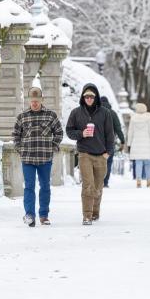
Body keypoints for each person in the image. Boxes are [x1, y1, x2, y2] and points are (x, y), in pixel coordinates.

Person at [12, 86, 64, 227]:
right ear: (29, 100)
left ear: (41, 100)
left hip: (45, 158)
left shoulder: (50, 115)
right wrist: (19, 148)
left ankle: (44, 215)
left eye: (37, 100)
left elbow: (59, 132)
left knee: (45, 186)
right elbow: (16, 135)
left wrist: (52, 146)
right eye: (32, 100)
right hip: (27, 158)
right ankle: (29, 215)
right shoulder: (22, 117)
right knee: (29, 186)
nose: (34, 103)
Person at [66, 84, 115, 225]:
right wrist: (81, 133)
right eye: (86, 96)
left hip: (101, 155)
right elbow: (69, 131)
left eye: (91, 96)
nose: (89, 99)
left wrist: (108, 153)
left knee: (98, 186)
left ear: (96, 97)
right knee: (88, 185)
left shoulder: (105, 113)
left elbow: (110, 135)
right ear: (83, 97)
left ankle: (95, 212)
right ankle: (86, 215)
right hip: (84, 154)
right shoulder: (76, 112)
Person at [126, 103, 150, 188]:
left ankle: (138, 181)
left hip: (136, 144)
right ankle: (149, 181)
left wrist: (129, 144)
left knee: (138, 163)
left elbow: (130, 132)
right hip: (147, 144)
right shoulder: (149, 118)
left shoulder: (133, 118)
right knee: (148, 163)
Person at [101, 96, 126, 188]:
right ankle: (105, 182)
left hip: (97, 142)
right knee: (108, 162)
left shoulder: (96, 112)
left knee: (98, 161)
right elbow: (118, 129)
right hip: (110, 142)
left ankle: (98, 181)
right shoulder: (113, 113)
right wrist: (122, 141)